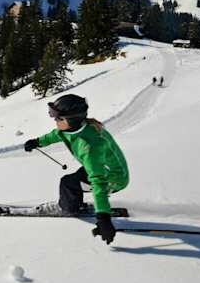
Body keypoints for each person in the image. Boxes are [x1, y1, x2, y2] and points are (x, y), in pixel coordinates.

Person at [23, 94, 130, 244]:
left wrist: (103, 218)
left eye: (58, 117)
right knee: (74, 181)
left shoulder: (89, 145)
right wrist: (37, 142)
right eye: (53, 115)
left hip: (113, 178)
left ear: (71, 120)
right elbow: (56, 135)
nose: (54, 120)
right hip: (103, 168)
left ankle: (67, 208)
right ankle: (75, 202)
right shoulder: (74, 128)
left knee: (68, 183)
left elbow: (98, 182)